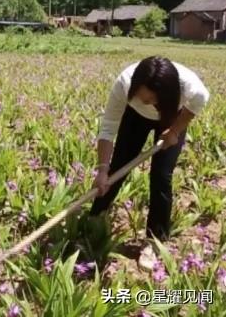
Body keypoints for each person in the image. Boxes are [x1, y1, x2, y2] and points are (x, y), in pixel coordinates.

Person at [89, 56, 210, 270]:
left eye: (154, 100)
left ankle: (156, 241)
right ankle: (95, 218)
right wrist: (101, 170)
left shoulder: (190, 88)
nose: (150, 103)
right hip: (135, 118)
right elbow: (108, 127)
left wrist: (174, 131)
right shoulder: (124, 84)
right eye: (144, 98)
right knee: (117, 167)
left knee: (161, 175)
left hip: (172, 116)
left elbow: (198, 103)